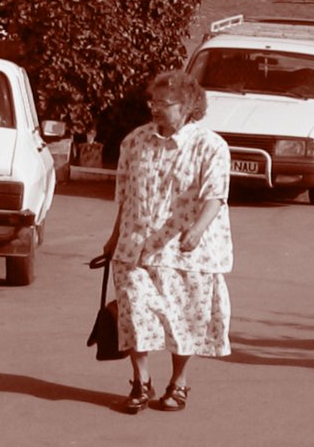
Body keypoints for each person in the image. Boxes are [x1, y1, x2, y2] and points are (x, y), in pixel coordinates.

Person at [101, 69, 233, 413]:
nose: (155, 108)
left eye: (165, 103)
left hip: (187, 253)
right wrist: (114, 237)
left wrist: (198, 229)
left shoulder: (211, 146)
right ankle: (140, 381)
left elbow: (215, 195)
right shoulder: (135, 141)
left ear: (188, 106)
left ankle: (179, 383)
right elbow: (125, 195)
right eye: (153, 101)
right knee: (134, 311)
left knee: (185, 319)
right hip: (136, 246)